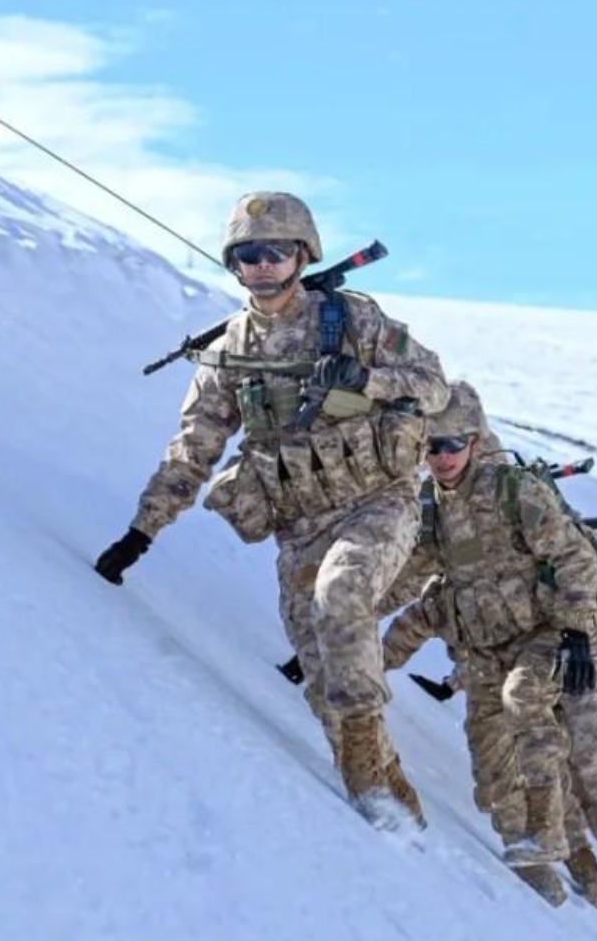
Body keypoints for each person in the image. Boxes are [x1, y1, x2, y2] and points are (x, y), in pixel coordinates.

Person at [93, 191, 449, 828]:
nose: (262, 265)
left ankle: (365, 778)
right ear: (234, 265)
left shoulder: (353, 321)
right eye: (248, 254)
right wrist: (140, 534)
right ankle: (391, 797)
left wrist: (366, 381)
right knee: (320, 674)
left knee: (343, 593)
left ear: (302, 255)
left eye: (276, 252)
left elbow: (433, 386)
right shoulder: (230, 351)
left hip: (377, 501)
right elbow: (194, 448)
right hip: (299, 526)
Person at [379, 382, 597, 910]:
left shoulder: (513, 490)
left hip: (548, 634)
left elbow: (576, 559)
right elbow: (413, 574)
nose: (441, 457)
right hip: (484, 651)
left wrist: (576, 632)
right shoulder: (431, 505)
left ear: (475, 442)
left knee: (543, 712)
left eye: (452, 445)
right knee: (493, 772)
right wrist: (357, 611)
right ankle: (534, 862)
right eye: (430, 446)